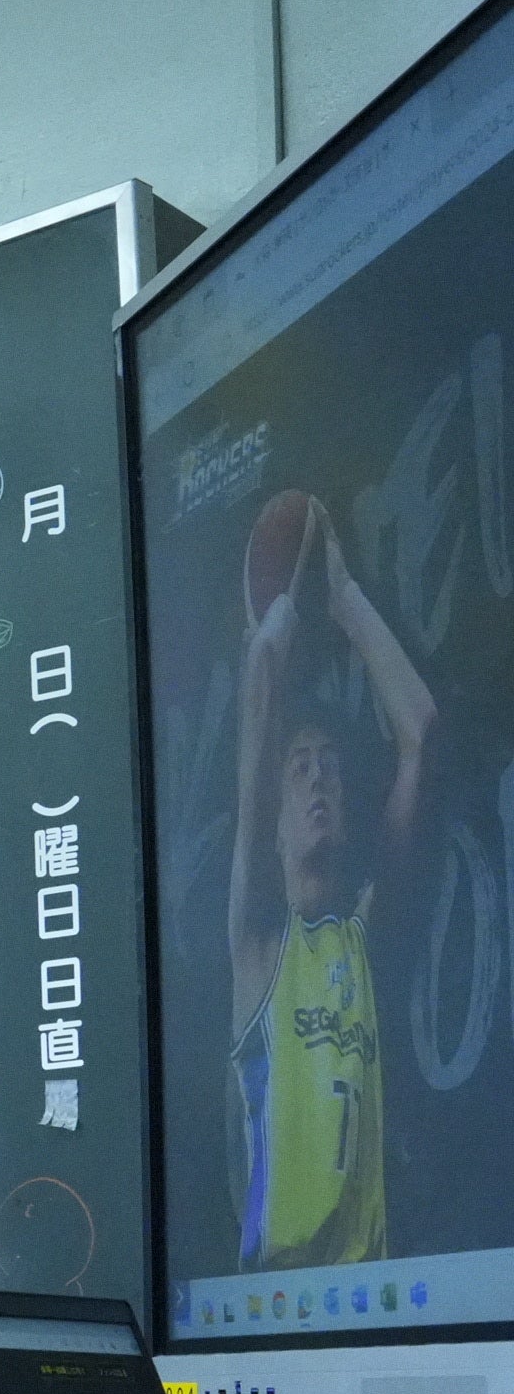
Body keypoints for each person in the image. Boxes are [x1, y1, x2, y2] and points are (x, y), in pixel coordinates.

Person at [227, 503, 433, 1270]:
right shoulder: (258, 943)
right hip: (277, 1291)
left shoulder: (362, 940)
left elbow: (420, 734)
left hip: (364, 1295)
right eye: (300, 768)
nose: (318, 782)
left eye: (331, 771)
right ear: (275, 822)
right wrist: (275, 619)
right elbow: (259, 688)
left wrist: (345, 598)